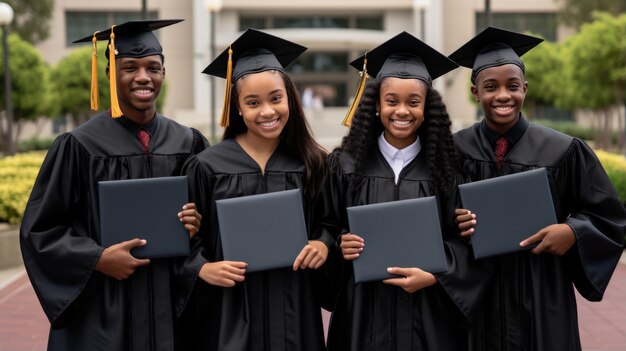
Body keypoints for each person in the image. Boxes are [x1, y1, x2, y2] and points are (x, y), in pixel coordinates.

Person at [19, 20, 209, 351]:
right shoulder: (78, 146)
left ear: (164, 73)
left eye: (153, 67)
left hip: (171, 307)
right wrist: (96, 258)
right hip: (105, 311)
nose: (143, 77)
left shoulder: (189, 142)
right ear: (109, 74)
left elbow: (215, 221)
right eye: (129, 67)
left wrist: (197, 223)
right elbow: (40, 231)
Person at [449, 26, 626, 350]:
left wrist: (573, 232)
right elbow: (433, 217)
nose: (503, 95)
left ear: (525, 89)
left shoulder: (562, 150)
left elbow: (609, 215)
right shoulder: (454, 150)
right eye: (491, 87)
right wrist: (455, 221)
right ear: (475, 91)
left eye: (512, 86)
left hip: (541, 291)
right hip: (476, 295)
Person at [315, 31, 491, 351]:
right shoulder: (345, 165)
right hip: (363, 316)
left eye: (414, 102)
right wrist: (341, 243)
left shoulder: (448, 169)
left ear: (427, 107)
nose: (402, 111)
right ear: (376, 105)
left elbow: (468, 242)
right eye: (391, 101)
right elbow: (323, 227)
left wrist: (437, 275)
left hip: (428, 316)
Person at [175, 28, 330, 350]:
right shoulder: (206, 166)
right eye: (253, 102)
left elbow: (331, 222)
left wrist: (324, 243)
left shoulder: (313, 163)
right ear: (237, 108)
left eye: (276, 98)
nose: (267, 112)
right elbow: (184, 236)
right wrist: (201, 267)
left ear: (290, 98)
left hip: (294, 305)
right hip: (230, 308)